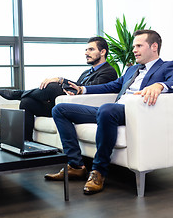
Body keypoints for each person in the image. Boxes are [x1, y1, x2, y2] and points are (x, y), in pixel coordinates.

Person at [46, 30, 173, 195]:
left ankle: (99, 171)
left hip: (134, 113)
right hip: (112, 111)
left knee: (107, 109)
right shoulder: (132, 69)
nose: (134, 49)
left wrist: (160, 85)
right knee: (60, 109)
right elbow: (112, 85)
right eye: (134, 45)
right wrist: (82, 89)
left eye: (139, 45)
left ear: (154, 46)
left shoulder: (166, 66)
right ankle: (76, 165)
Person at [0, 37, 118, 140]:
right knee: (27, 102)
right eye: (86, 50)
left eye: (91, 49)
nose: (86, 53)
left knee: (52, 87)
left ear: (102, 52)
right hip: (68, 102)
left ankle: (19, 94)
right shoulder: (86, 72)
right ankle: (27, 143)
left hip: (82, 108)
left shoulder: (109, 71)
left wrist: (61, 80)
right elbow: (75, 86)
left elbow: (89, 88)